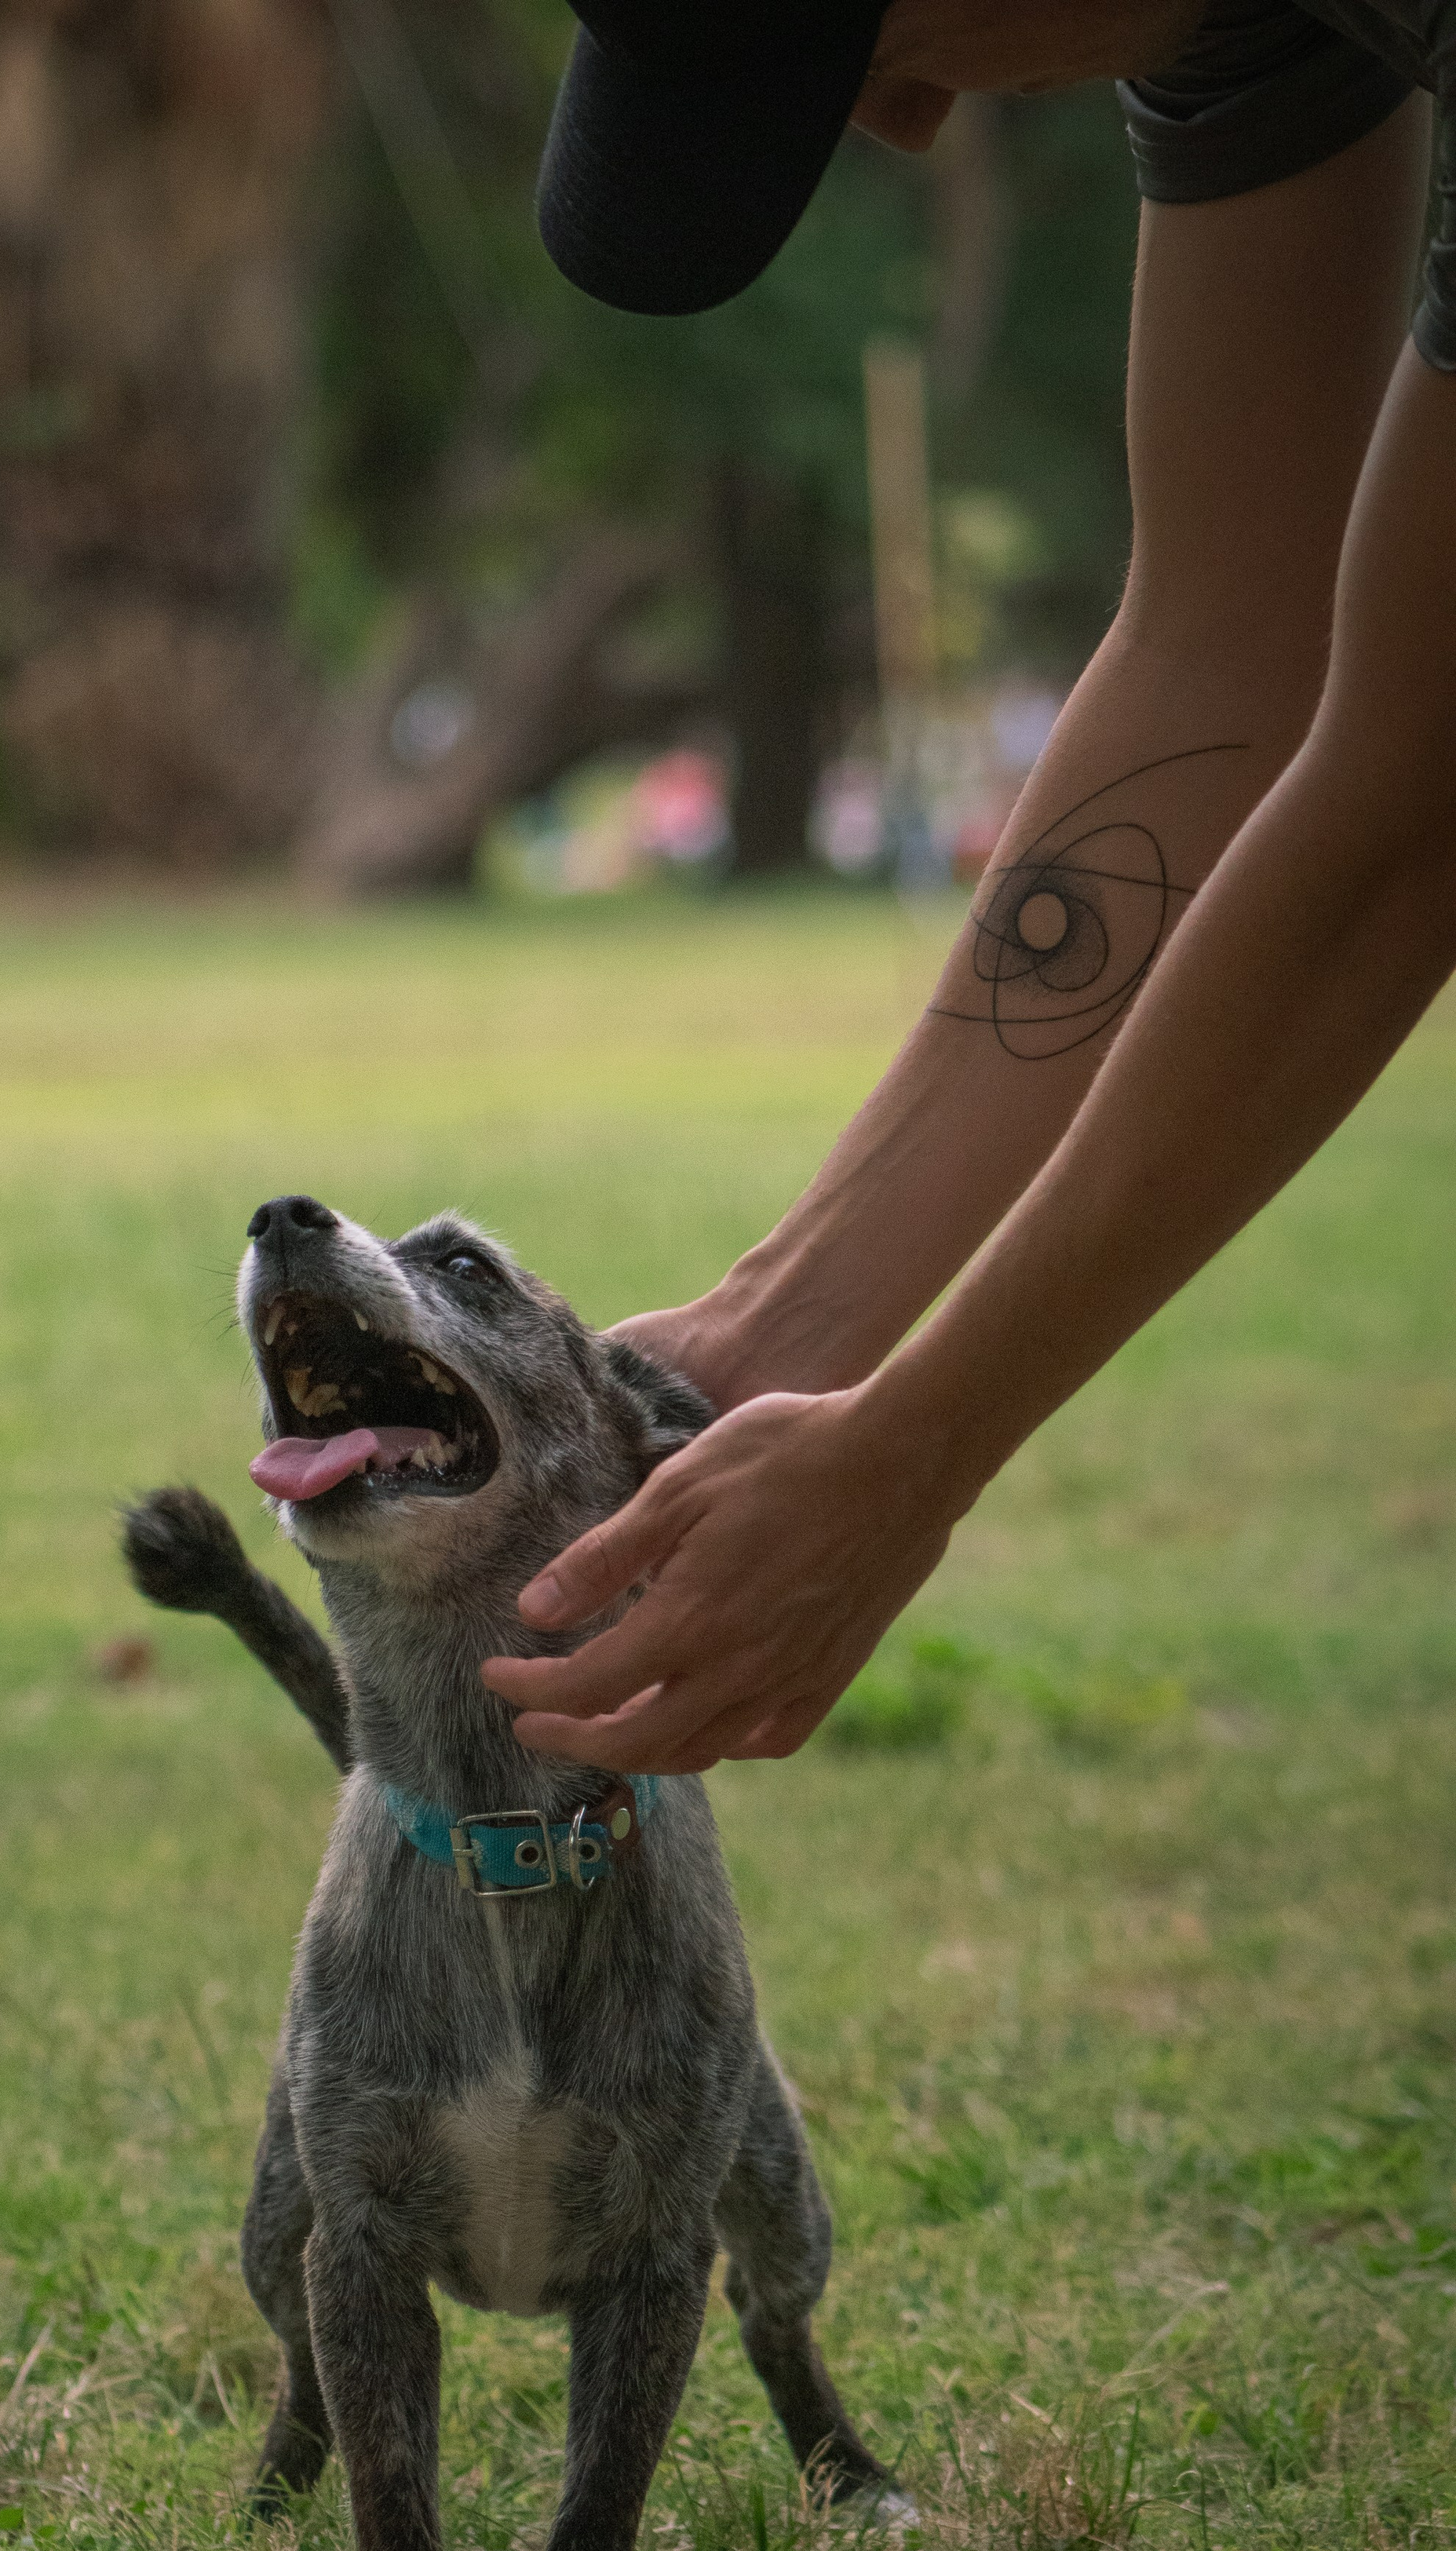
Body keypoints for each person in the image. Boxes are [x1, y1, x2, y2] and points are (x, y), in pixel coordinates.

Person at [481, 0, 1456, 1774]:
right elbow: (1227, 642)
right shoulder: (1232, 16)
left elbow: (1413, 801)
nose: (914, 125)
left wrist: (922, 1439)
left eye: (879, 40)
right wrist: (785, 1327)